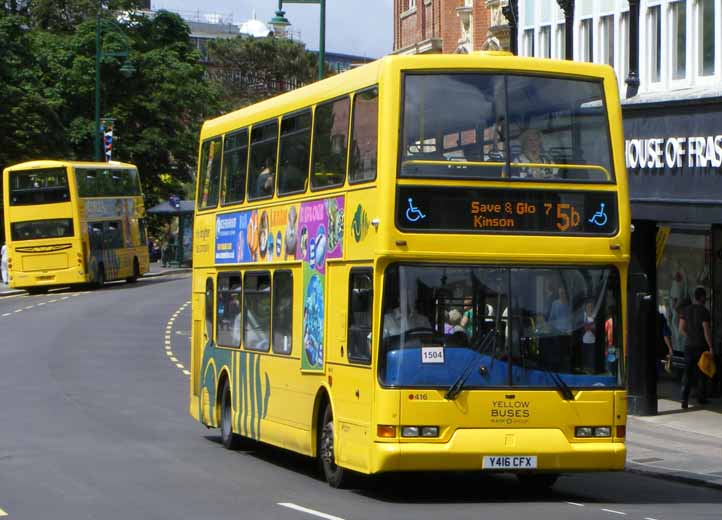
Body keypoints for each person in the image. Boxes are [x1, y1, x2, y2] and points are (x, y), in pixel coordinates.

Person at [678, 287, 713, 408]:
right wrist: (710, 346)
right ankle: (701, 398)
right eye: (705, 296)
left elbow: (681, 328)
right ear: (702, 297)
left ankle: (684, 399)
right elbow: (706, 330)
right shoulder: (704, 311)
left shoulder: (686, 310)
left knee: (687, 373)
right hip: (701, 346)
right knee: (701, 372)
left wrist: (689, 335)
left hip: (688, 346)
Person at [581, 300, 597, 373]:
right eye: (588, 306)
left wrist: (588, 326)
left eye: (591, 306)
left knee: (591, 356)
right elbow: (584, 327)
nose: (589, 308)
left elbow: (594, 327)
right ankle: (585, 369)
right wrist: (589, 326)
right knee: (585, 356)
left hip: (592, 340)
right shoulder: (583, 315)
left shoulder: (594, 315)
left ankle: (591, 369)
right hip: (584, 339)